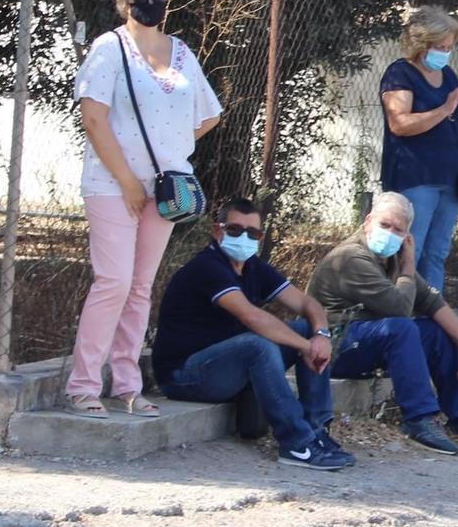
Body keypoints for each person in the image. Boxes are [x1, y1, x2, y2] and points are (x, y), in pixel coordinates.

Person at [64, 0, 223, 419]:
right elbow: (93, 118)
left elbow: (208, 112)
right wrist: (129, 180)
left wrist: (173, 148)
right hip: (112, 185)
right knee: (112, 282)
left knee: (139, 288)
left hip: (165, 189)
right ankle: (84, 385)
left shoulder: (180, 52)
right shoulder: (108, 49)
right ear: (123, 0)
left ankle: (128, 384)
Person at [151, 198, 352, 470]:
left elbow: (307, 303)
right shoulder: (207, 267)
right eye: (235, 230)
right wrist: (307, 346)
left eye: (252, 233)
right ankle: (295, 442)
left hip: (226, 365)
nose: (243, 237)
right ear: (217, 231)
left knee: (305, 328)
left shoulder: (253, 267)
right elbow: (252, 316)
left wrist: (320, 335)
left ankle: (316, 432)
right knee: (257, 345)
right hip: (185, 375)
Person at [306, 191, 458, 455]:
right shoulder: (352, 258)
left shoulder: (393, 257)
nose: (389, 234)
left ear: (407, 236)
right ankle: (419, 418)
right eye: (384, 225)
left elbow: (433, 303)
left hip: (369, 339)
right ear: (368, 221)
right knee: (402, 328)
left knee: (434, 330)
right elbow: (398, 309)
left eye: (398, 230)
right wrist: (409, 266)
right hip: (335, 347)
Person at [379, 5, 458, 292]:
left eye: (449, 47)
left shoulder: (448, 75)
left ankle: (432, 317)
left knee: (437, 253)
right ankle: (400, 313)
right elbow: (399, 124)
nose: (445, 52)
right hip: (416, 177)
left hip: (450, 178)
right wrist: (446, 106)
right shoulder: (400, 73)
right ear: (422, 43)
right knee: (409, 249)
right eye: (440, 46)